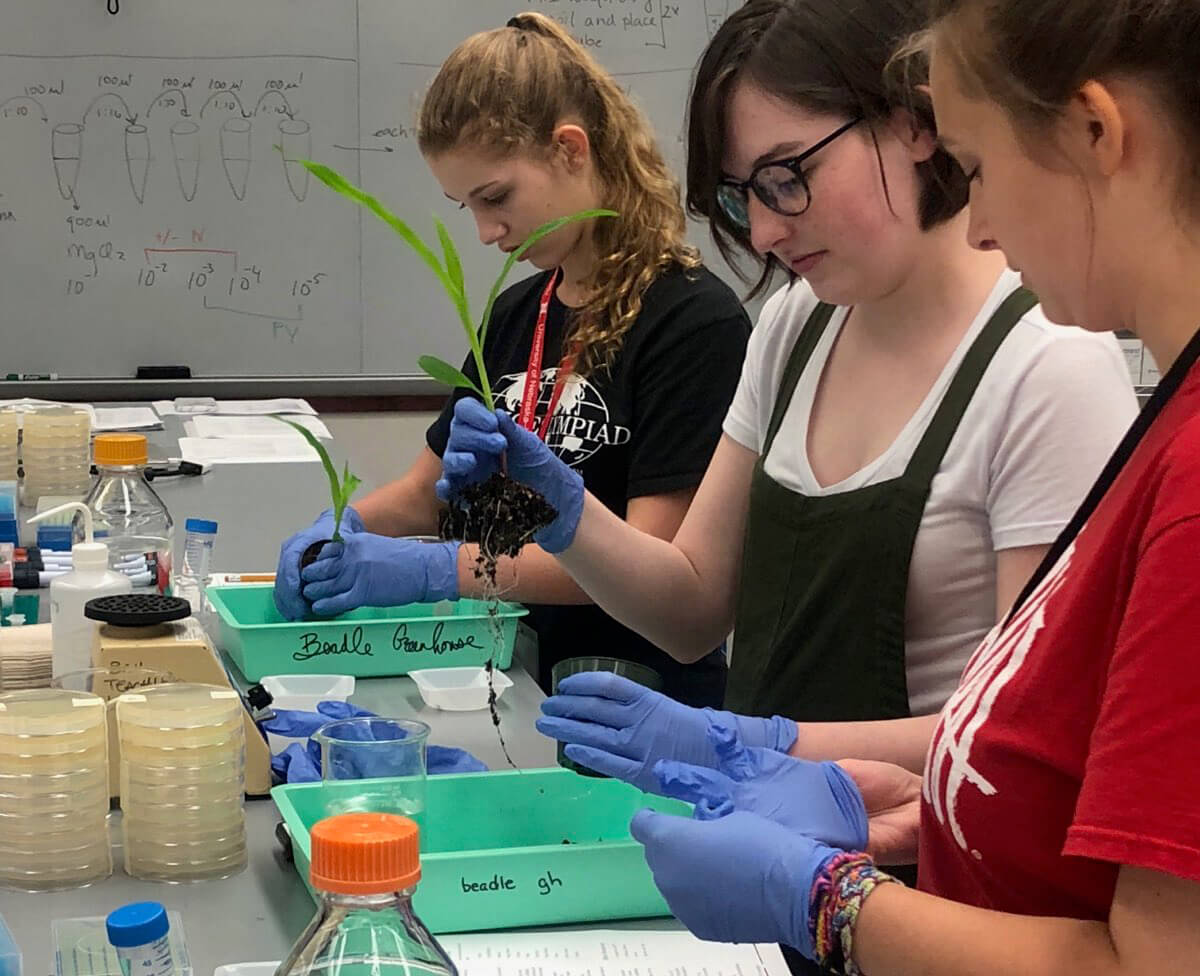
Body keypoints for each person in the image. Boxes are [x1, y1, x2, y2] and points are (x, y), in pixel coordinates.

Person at [595, 0, 1200, 971]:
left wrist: (828, 899)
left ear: (1096, 132)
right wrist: (901, 810)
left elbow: (1155, 958)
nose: (981, 215)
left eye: (984, 165)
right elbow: (1051, 770)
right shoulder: (1170, 436)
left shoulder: (1141, 446)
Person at [442, 0, 1136, 775]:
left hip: (920, 878)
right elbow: (691, 609)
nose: (766, 233)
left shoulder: (1048, 367)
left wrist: (764, 746)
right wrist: (570, 518)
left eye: (786, 177)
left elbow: (1024, 738)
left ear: (911, 120)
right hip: (764, 851)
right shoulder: (796, 327)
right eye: (744, 197)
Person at [273, 12, 750, 708]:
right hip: (519, 679)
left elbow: (650, 568)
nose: (485, 231)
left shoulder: (692, 322)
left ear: (570, 150)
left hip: (640, 700)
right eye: (465, 204)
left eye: (496, 197)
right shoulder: (520, 311)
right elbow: (421, 494)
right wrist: (338, 530)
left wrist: (437, 569)